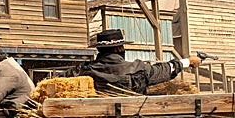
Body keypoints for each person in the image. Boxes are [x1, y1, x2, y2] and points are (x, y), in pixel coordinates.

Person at [68, 29, 202, 93]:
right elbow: (164, 70)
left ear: (99, 49)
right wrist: (188, 61)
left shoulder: (83, 70)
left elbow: (60, 79)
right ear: (119, 48)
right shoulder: (138, 68)